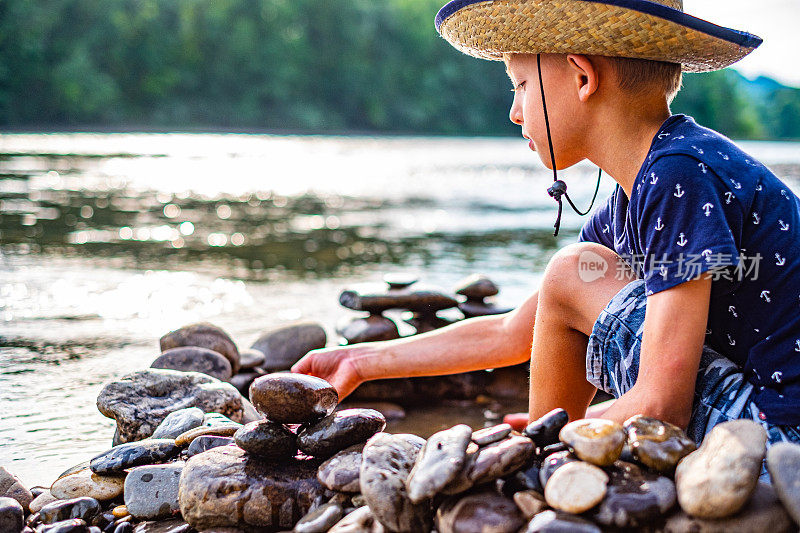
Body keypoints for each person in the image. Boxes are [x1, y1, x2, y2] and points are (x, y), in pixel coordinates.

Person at [293, 0, 800, 449]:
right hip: (756, 418)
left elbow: (662, 404)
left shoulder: (678, 175)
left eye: (520, 85)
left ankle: (545, 461)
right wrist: (360, 360)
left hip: (773, 437)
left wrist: (558, 432)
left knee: (572, 271)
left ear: (582, 77)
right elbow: (518, 332)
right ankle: (549, 455)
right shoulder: (641, 190)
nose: (514, 112)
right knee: (575, 273)